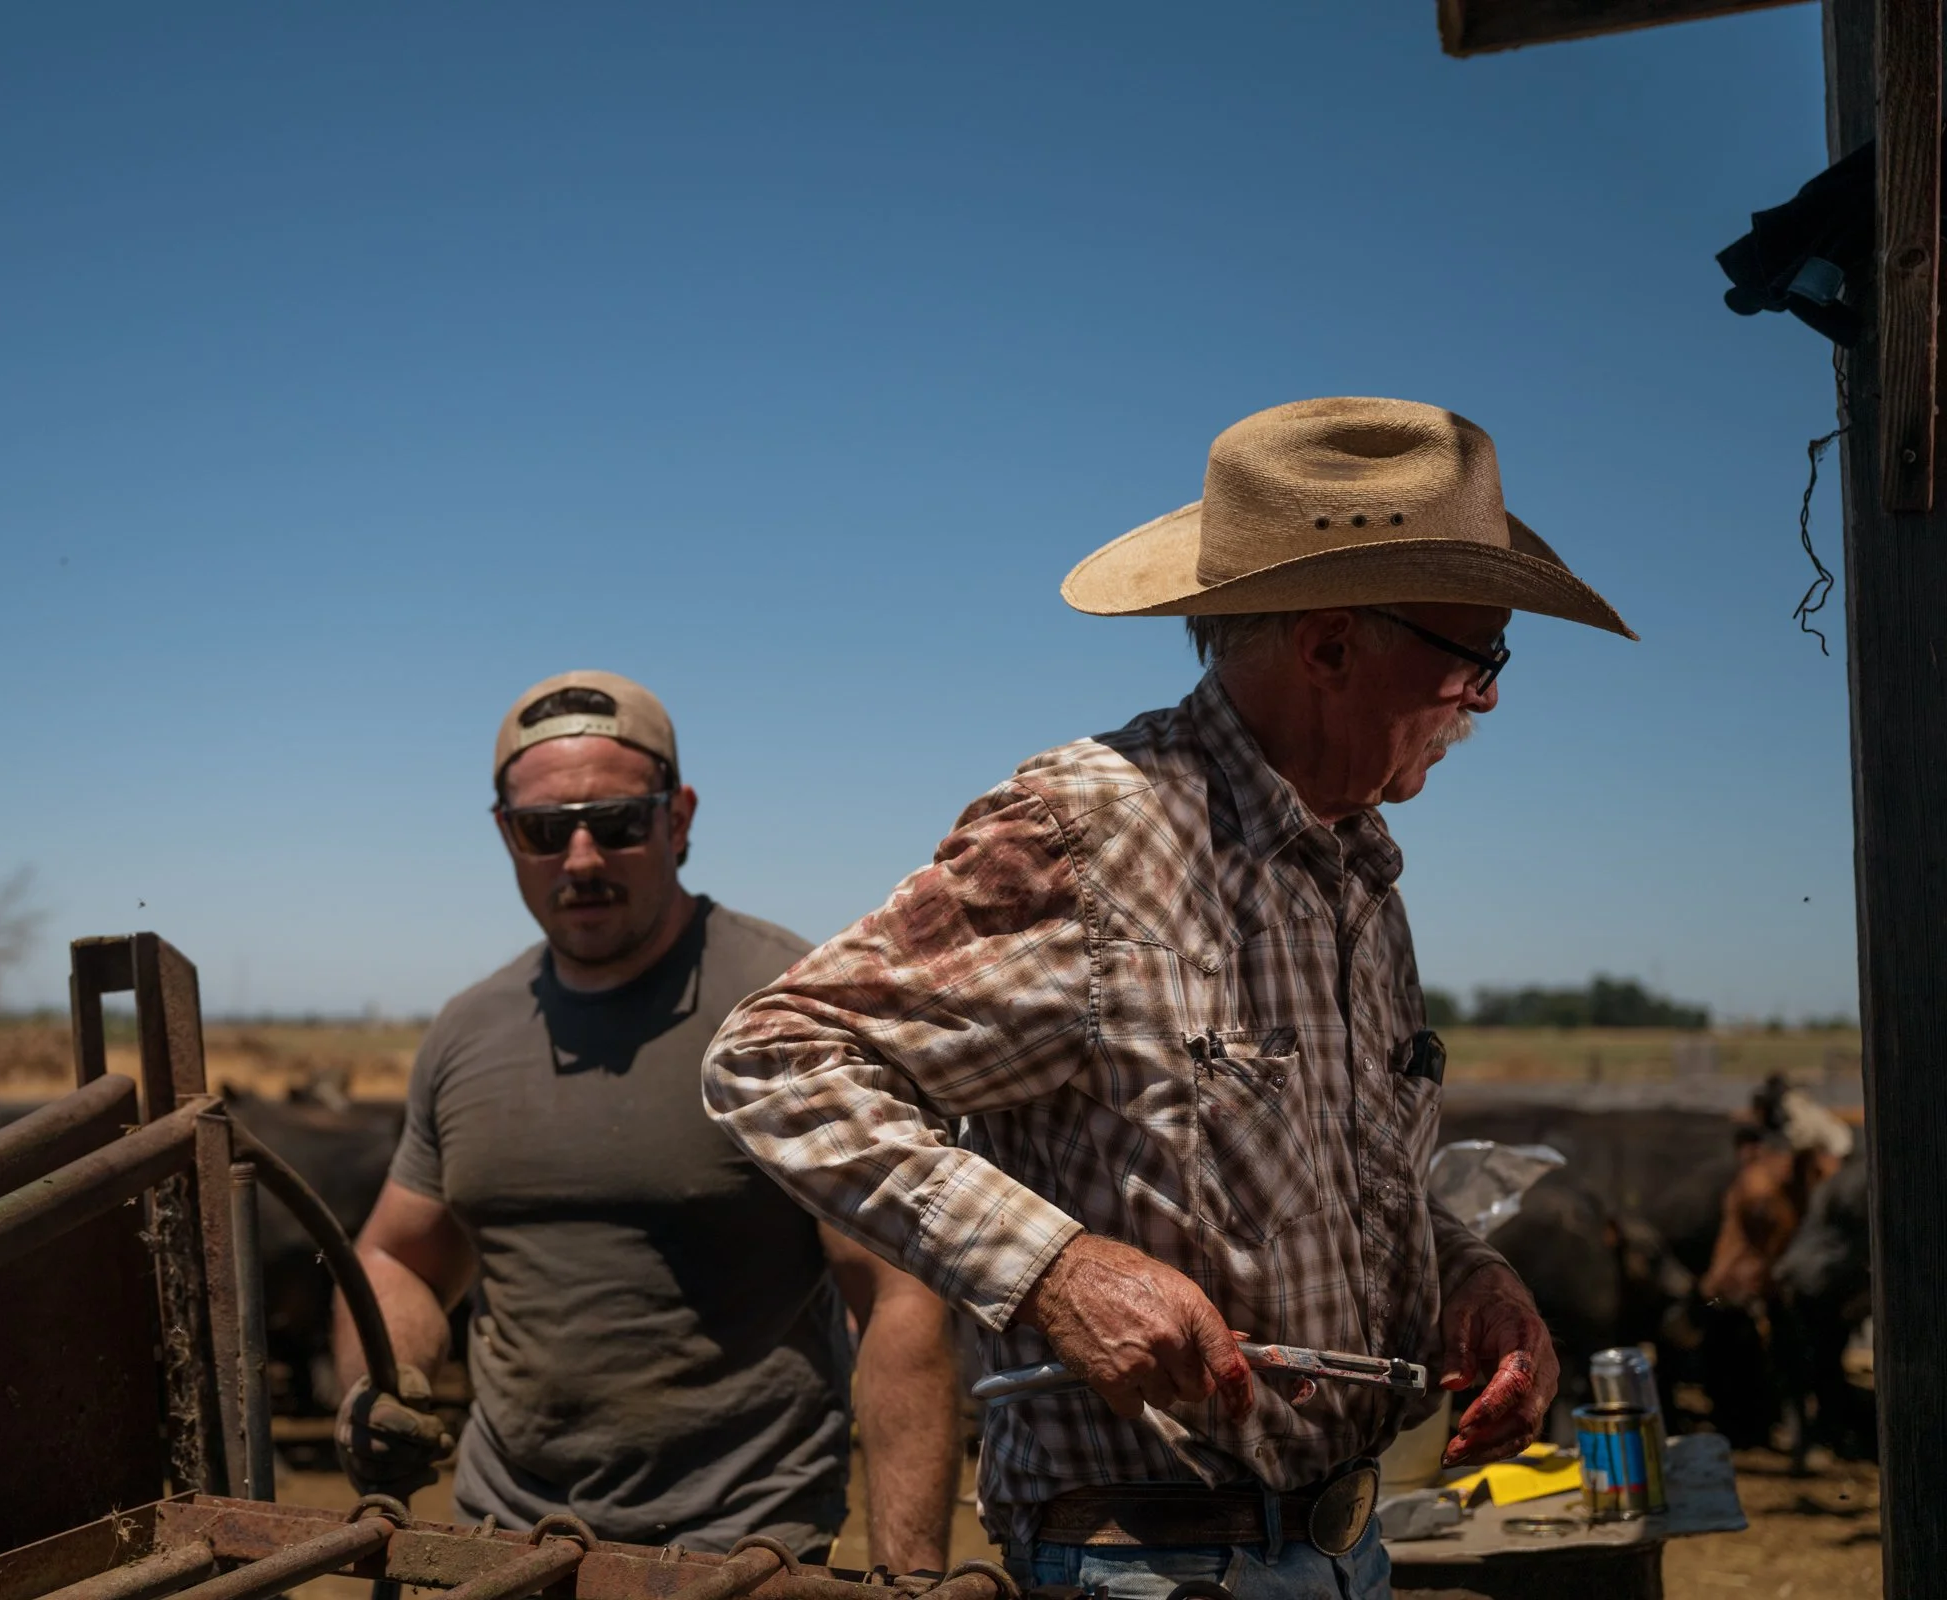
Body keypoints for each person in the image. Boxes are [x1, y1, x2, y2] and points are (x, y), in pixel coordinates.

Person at [704, 398, 1628, 1599]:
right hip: (1147, 1562)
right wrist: (1059, 1269)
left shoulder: (1354, 868)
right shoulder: (1093, 836)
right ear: (1335, 645)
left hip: (1343, 1545)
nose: (1488, 698)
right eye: (1475, 655)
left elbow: (1335, 1178)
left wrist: (1465, 1280)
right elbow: (776, 1055)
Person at [334, 670, 959, 1570]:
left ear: (679, 818)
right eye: (546, 831)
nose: (581, 860)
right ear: (506, 835)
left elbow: (897, 1294)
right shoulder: (468, 1033)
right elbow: (398, 1257)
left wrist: (911, 1584)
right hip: (501, 1545)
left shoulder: (784, 1016)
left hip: (736, 1559)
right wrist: (380, 1386)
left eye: (618, 822)